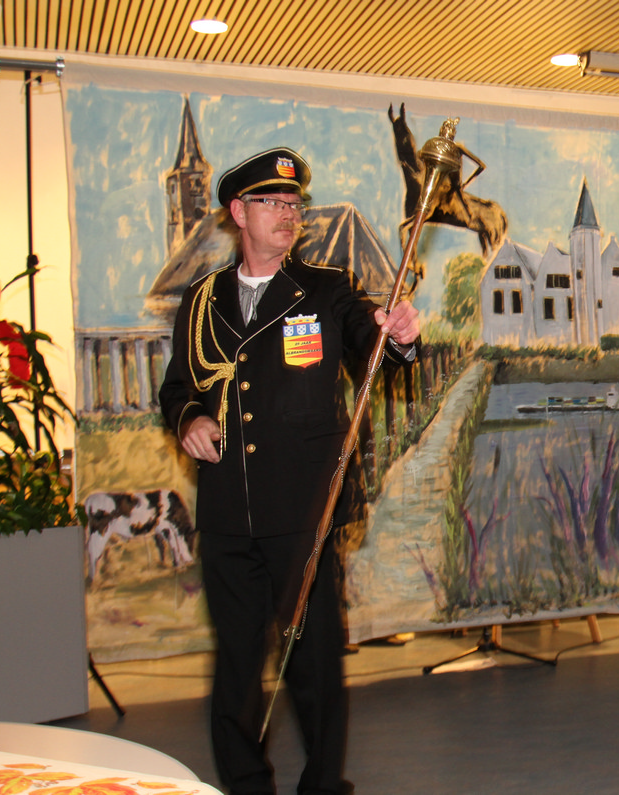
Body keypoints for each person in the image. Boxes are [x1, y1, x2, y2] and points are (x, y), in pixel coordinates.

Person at [159, 147, 421, 795]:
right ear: (237, 212)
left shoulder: (326, 289)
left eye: (294, 203)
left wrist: (399, 337)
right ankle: (246, 785)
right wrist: (189, 419)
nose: (287, 213)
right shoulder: (202, 299)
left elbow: (371, 345)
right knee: (237, 666)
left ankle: (324, 786)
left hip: (303, 512)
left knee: (315, 664)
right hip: (228, 511)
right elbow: (177, 387)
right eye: (271, 203)